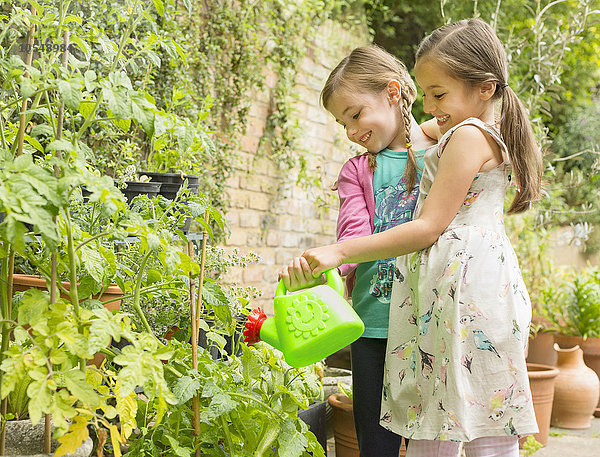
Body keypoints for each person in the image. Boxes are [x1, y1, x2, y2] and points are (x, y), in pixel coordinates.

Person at [285, 19, 544, 457]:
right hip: (448, 296)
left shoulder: (464, 136)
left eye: (438, 94)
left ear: (485, 87)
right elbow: (412, 138)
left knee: (469, 427)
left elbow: (428, 226)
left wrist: (339, 251)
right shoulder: (461, 132)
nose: (428, 106)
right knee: (455, 418)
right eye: (424, 93)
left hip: (465, 298)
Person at [279, 45, 434, 457]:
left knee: (432, 442)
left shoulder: (444, 153)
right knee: (375, 444)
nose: (350, 130)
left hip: (433, 322)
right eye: (342, 123)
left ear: (393, 92)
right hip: (374, 325)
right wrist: (318, 265)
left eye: (355, 114)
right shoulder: (358, 170)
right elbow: (351, 234)